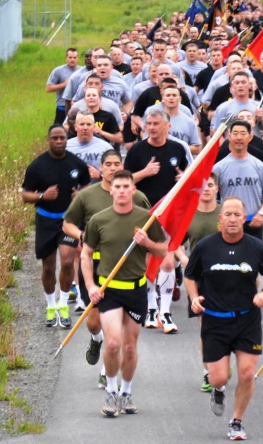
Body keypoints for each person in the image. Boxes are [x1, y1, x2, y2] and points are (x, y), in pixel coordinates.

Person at [185, 197, 263, 441]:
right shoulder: (206, 247)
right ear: (220, 219)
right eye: (227, 214)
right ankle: (218, 390)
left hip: (246, 320)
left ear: (244, 218)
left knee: (247, 373)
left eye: (236, 214)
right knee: (219, 377)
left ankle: (236, 421)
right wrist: (194, 297)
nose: (232, 219)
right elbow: (189, 275)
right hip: (214, 321)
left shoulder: (255, 247)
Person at [81, 170, 168, 417]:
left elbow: (163, 250)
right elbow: (85, 255)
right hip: (109, 290)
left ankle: (126, 393)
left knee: (129, 348)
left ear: (133, 190)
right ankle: (110, 392)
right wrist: (90, 287)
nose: (120, 190)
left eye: (125, 187)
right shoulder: (98, 220)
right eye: (116, 186)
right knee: (113, 343)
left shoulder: (147, 219)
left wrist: (147, 243)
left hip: (136, 290)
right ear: (111, 190)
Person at [63, 150, 150, 389]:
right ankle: (95, 339)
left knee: (117, 327)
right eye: (108, 164)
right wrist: (82, 235)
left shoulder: (137, 196)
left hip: (122, 265)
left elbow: (151, 222)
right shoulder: (87, 196)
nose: (112, 168)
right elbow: (67, 223)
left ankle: (106, 370)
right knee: (93, 322)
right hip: (94, 264)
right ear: (100, 168)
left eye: (117, 164)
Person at [124, 109, 189, 332]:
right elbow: (124, 181)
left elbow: (188, 176)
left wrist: (183, 177)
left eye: (155, 123)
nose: (151, 128)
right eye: (148, 124)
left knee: (168, 261)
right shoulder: (137, 150)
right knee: (148, 262)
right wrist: (145, 172)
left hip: (170, 213)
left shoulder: (178, 149)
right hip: (144, 212)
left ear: (167, 126)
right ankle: (151, 307)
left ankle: (166, 312)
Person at [21, 125, 91, 328]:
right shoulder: (37, 166)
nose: (59, 141)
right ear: (49, 140)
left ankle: (63, 305)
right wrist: (42, 196)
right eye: (55, 138)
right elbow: (25, 195)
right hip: (45, 220)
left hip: (68, 220)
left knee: (68, 262)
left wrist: (81, 195)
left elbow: (86, 187)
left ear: (66, 140)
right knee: (49, 267)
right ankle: (50, 306)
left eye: (62, 138)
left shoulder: (77, 164)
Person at [175, 175, 222, 393]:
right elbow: (175, 243)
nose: (206, 189)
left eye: (210, 185)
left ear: (217, 189)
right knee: (207, 327)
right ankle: (208, 372)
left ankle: (220, 365)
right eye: (202, 186)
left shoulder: (225, 213)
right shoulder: (189, 215)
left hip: (226, 277)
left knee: (227, 326)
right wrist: (186, 261)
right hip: (200, 279)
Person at [213, 120, 263, 240]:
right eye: (235, 133)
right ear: (229, 136)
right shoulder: (219, 168)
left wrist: (260, 214)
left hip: (253, 223)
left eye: (243, 133)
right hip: (228, 225)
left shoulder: (259, 166)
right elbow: (210, 196)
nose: (239, 137)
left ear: (250, 137)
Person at [210, 72, 263, 137]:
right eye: (237, 83)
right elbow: (217, 134)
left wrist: (262, 118)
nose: (240, 85)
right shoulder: (223, 108)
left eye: (243, 82)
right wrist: (224, 146)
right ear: (232, 86)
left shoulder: (258, 106)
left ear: (249, 85)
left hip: (254, 145)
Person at [143, 85, 201, 155]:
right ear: (163, 99)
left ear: (180, 99)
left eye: (174, 95)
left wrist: (176, 148)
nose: (171, 98)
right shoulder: (154, 121)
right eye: (168, 95)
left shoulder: (189, 122)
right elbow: (145, 143)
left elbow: (197, 148)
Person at [66, 111, 114, 182]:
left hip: (96, 190)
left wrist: (100, 176)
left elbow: (116, 175)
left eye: (89, 124)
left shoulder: (105, 148)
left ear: (94, 127)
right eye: (82, 124)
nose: (85, 128)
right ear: (75, 127)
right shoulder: (66, 146)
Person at [46, 48, 79, 124]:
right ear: (66, 58)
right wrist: (64, 84)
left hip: (78, 106)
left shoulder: (82, 71)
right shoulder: (58, 71)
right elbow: (48, 88)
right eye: (70, 57)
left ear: (78, 58)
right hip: (62, 107)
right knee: (59, 130)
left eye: (74, 58)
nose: (72, 60)